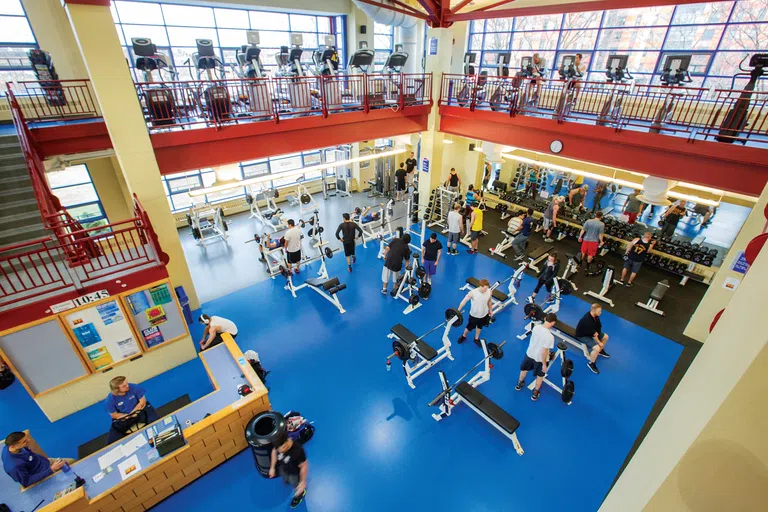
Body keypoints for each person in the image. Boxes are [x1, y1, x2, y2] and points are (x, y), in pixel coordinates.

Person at [2, 432, 75, 487]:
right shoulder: (14, 466)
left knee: (73, 461)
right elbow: (26, 482)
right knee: (72, 470)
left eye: (27, 438)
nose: (29, 440)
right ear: (13, 446)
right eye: (25, 441)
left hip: (44, 462)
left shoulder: (8, 447)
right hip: (43, 472)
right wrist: (51, 469)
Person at [516, 312, 557, 402]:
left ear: (545, 318)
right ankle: (535, 393)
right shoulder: (550, 337)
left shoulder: (536, 327)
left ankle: (519, 384)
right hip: (539, 359)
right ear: (553, 323)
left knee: (524, 370)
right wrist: (544, 365)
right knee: (540, 376)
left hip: (530, 354)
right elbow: (543, 352)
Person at [105, 376, 158, 443]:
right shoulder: (110, 399)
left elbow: (142, 401)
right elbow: (114, 415)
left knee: (154, 419)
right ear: (117, 390)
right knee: (113, 436)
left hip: (140, 411)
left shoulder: (134, 387)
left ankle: (156, 437)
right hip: (125, 417)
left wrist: (133, 413)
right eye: (124, 386)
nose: (127, 386)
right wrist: (126, 416)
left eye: (127, 383)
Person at [268, 434, 308, 509]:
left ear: (287, 442)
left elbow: (304, 466)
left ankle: (300, 494)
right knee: (287, 480)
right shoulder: (279, 444)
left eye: (282, 448)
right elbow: (274, 451)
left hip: (295, 474)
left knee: (297, 487)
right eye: (279, 449)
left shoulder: (297, 450)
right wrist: (272, 467)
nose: (280, 451)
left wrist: (302, 482)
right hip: (284, 469)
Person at [456, 279, 493, 346]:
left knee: (480, 327)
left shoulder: (489, 292)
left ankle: (476, 338)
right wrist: (457, 311)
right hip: (474, 315)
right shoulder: (472, 293)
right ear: (480, 286)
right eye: (484, 288)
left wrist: (490, 310)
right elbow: (463, 302)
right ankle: (464, 336)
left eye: (487, 288)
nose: (486, 290)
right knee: (469, 327)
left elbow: (489, 301)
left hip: (484, 314)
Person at [575, 303, 610, 374]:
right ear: (594, 311)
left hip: (591, 332)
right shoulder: (587, 320)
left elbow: (598, 327)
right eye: (599, 311)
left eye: (600, 311)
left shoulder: (595, 316)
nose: (601, 313)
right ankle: (591, 363)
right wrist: (600, 343)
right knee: (596, 348)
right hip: (582, 335)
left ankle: (600, 351)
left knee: (606, 337)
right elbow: (594, 335)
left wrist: (599, 335)